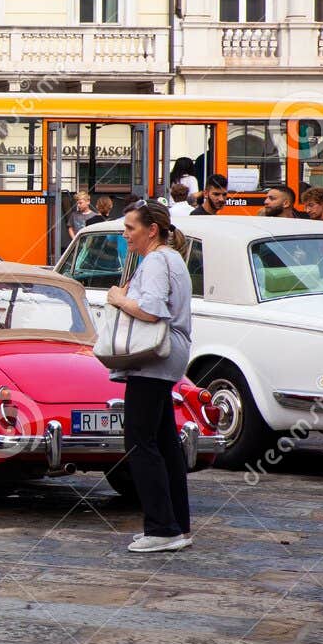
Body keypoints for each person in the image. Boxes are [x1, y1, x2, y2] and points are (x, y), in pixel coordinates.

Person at [104, 199, 194, 554]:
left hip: (152, 360)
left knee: (140, 442)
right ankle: (178, 525)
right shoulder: (171, 259)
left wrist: (118, 299)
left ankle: (161, 527)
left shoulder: (157, 260)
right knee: (165, 442)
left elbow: (152, 311)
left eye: (130, 228)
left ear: (151, 229)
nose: (126, 234)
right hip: (169, 357)